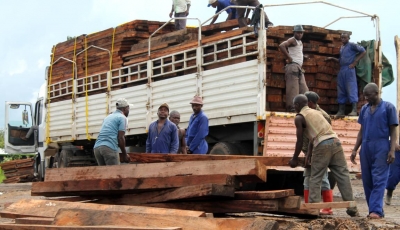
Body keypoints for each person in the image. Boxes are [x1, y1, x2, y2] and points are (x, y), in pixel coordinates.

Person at [289, 94, 359, 217]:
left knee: (315, 177)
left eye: (294, 105)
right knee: (343, 175)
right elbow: (314, 134)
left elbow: (299, 141)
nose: (294, 108)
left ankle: (313, 209)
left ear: (297, 105)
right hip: (336, 142)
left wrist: (294, 159)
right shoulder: (317, 113)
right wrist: (310, 153)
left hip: (322, 145)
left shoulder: (299, 117)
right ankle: (352, 208)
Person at [351, 83, 398, 219]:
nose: (366, 98)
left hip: (382, 146)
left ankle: (376, 211)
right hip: (366, 147)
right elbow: (361, 131)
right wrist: (355, 149)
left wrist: (392, 150)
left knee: (379, 178)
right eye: (364, 95)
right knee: (367, 180)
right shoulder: (365, 109)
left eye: (368, 95)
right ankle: (375, 209)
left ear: (377, 93)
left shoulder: (388, 107)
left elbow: (393, 130)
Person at [302, 91, 333, 215]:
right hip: (310, 152)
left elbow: (320, 136)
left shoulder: (322, 115)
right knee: (307, 178)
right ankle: (309, 207)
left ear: (309, 103)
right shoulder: (308, 113)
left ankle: (328, 208)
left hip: (319, 151)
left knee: (323, 178)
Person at [325, 33, 366, 116]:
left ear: (348, 38)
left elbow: (363, 51)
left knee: (351, 88)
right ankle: (341, 111)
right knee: (341, 89)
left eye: (345, 37)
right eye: (342, 37)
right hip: (342, 69)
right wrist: (332, 58)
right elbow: (341, 60)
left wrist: (355, 62)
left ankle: (354, 110)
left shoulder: (352, 45)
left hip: (349, 69)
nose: (343, 39)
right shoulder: (342, 47)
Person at [279, 25, 309, 112]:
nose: (299, 34)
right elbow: (281, 46)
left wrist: (304, 57)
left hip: (299, 67)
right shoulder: (292, 40)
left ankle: (304, 108)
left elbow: (296, 52)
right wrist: (289, 58)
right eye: (298, 33)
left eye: (301, 33)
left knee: (304, 89)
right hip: (293, 66)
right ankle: (292, 108)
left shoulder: (300, 42)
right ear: (294, 33)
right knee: (293, 89)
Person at [93, 98, 132, 165]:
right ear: (125, 108)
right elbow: (120, 137)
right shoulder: (122, 118)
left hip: (97, 148)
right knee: (114, 174)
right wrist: (124, 155)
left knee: (104, 174)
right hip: (109, 148)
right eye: (128, 108)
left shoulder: (108, 117)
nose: (129, 110)